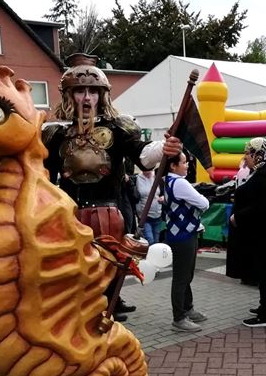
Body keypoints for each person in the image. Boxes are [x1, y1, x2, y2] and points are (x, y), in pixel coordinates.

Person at [42, 53, 182, 321]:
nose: (86, 98)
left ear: (101, 95)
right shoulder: (54, 133)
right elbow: (43, 175)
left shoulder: (118, 128)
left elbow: (142, 155)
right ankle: (85, 313)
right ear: (68, 95)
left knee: (110, 265)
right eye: (79, 91)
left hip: (109, 214)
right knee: (75, 270)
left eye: (92, 91)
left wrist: (163, 149)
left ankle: (110, 304)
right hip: (68, 216)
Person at [226, 138, 266, 327]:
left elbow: (263, 206)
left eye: (249, 153)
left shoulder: (264, 176)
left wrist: (239, 217)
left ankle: (265, 316)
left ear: (258, 154)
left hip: (265, 236)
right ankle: (264, 307)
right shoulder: (265, 173)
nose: (246, 157)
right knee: (265, 274)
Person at [163, 151, 209, 332]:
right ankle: (179, 318)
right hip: (183, 235)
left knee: (186, 275)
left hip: (179, 233)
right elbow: (204, 203)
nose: (187, 165)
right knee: (182, 277)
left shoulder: (167, 180)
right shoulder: (179, 182)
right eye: (184, 162)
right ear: (173, 166)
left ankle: (188, 308)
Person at [134, 168, 163, 245]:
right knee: (150, 240)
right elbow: (135, 196)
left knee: (156, 241)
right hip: (144, 217)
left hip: (157, 215)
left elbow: (163, 192)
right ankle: (150, 256)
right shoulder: (137, 179)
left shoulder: (157, 177)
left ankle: (154, 256)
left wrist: (163, 197)